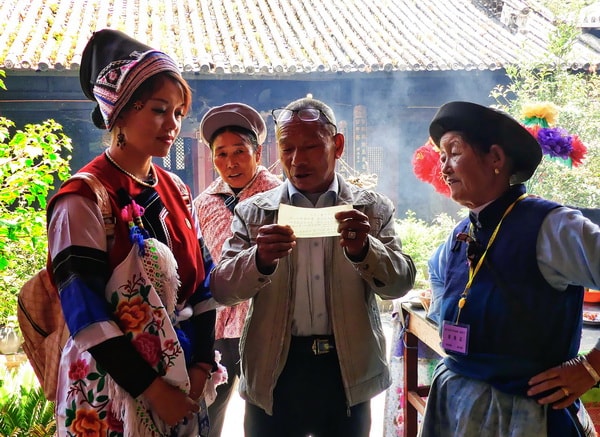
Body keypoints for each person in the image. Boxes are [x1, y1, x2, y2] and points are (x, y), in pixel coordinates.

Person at [209, 96, 416, 436]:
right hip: (274, 370)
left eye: (311, 147)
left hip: (347, 369)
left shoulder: (371, 210)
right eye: (287, 149)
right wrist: (258, 260)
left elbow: (400, 284)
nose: (296, 160)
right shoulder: (254, 213)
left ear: (337, 145)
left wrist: (366, 250)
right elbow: (222, 290)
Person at [48, 29, 216, 436]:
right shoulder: (84, 198)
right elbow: (85, 312)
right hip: (111, 391)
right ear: (120, 112)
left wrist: (202, 365)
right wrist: (154, 390)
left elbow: (203, 282)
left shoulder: (175, 190)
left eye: (178, 112)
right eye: (159, 109)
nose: (172, 124)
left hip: (183, 385)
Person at [419, 101, 600, 437]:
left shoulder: (551, 226)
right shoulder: (462, 233)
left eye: (454, 152)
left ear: (496, 160)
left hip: (523, 413)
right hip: (455, 402)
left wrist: (592, 366)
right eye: (441, 157)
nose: (444, 168)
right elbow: (438, 276)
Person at [193, 102, 282, 436]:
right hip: (218, 325)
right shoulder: (203, 204)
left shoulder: (280, 196)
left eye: (239, 152)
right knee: (208, 411)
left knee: (264, 416)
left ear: (258, 152)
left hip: (266, 322)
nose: (230, 163)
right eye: (221, 154)